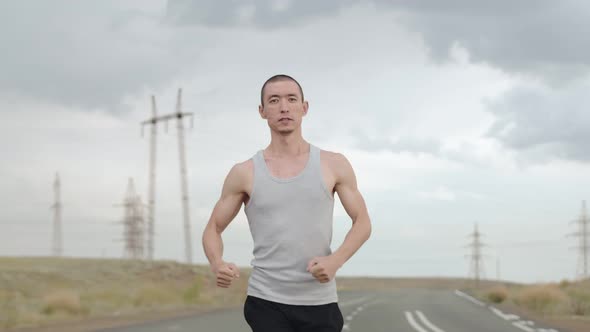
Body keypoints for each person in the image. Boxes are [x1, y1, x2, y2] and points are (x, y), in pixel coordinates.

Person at [202, 74, 372, 332]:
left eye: (292, 99)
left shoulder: (333, 164)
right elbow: (213, 227)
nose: (284, 107)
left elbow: (363, 222)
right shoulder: (245, 172)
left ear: (304, 108)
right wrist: (217, 263)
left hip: (320, 302)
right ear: (262, 111)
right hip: (266, 301)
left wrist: (335, 261)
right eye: (274, 100)